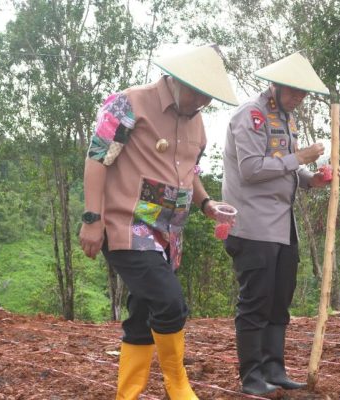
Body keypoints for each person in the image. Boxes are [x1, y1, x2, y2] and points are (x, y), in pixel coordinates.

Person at [79, 44, 238, 400]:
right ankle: (177, 385)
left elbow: (189, 171)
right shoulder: (130, 103)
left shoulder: (197, 123)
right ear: (177, 79)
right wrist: (92, 219)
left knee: (143, 312)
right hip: (126, 226)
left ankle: (127, 394)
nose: (201, 102)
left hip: (169, 234)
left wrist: (207, 203)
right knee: (170, 302)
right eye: (197, 92)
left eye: (208, 97)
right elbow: (97, 159)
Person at [221, 52, 331, 396]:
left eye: (304, 93)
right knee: (255, 301)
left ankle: (274, 368)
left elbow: (285, 165)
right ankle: (251, 376)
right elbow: (253, 169)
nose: (299, 98)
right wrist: (300, 158)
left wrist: (310, 178)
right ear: (277, 85)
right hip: (253, 226)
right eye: (294, 91)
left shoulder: (284, 119)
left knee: (279, 301)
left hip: (283, 227)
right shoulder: (250, 116)